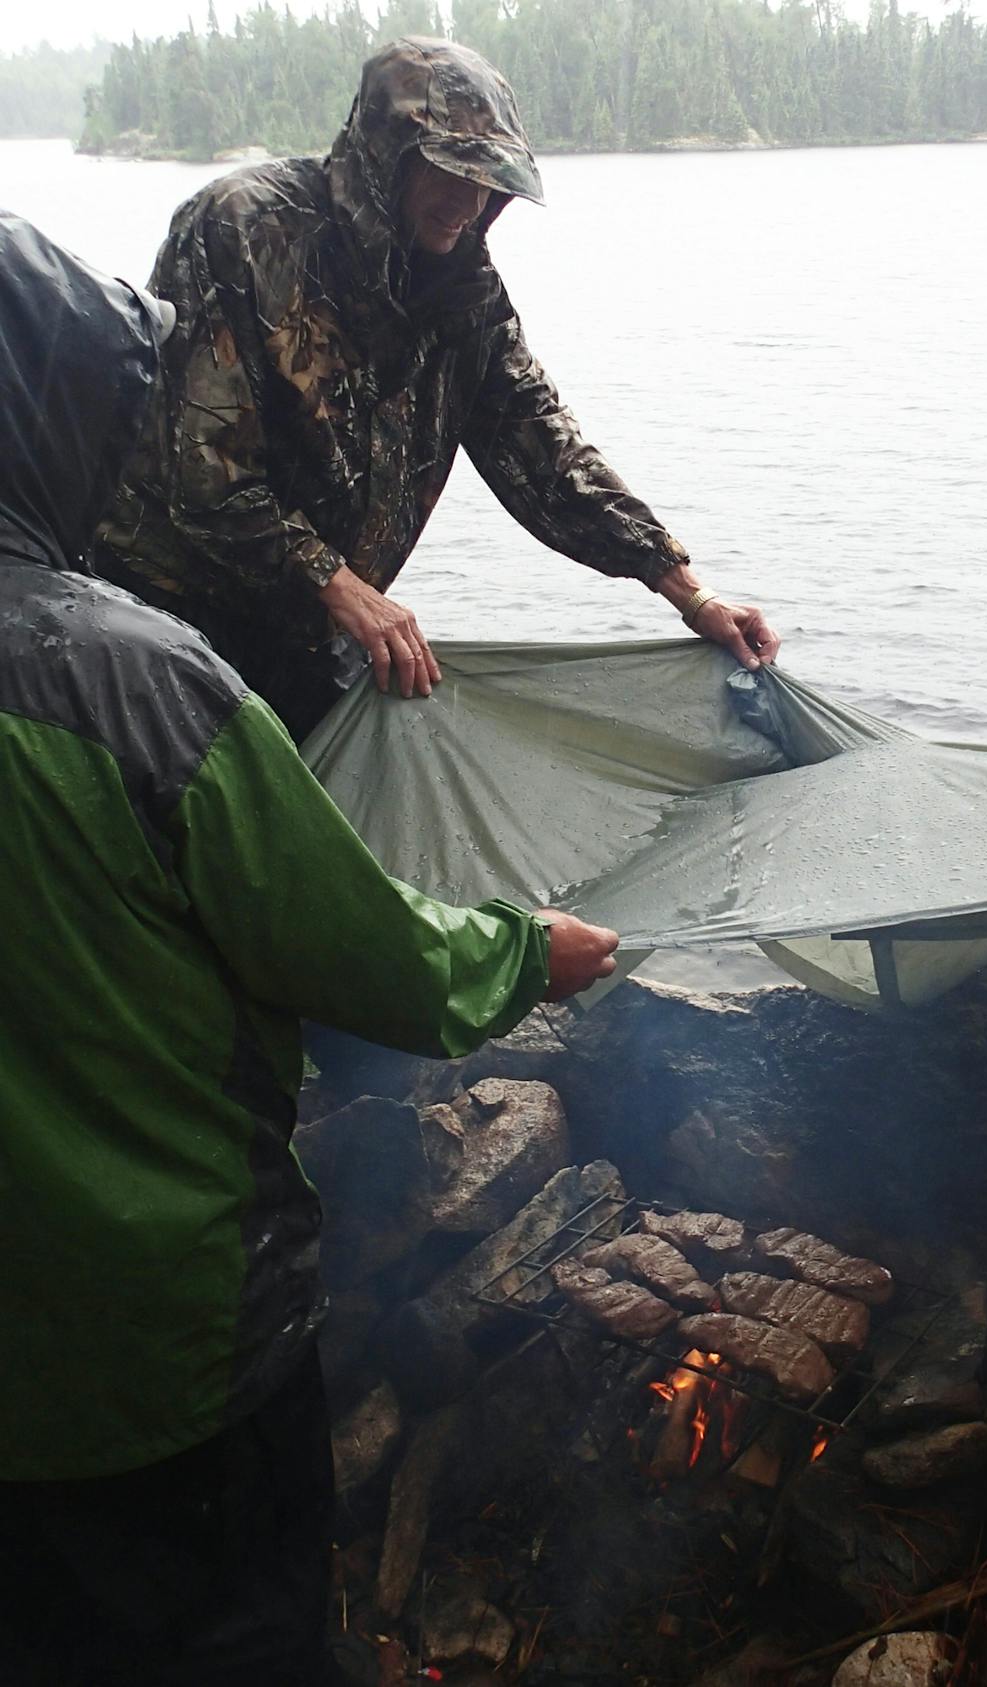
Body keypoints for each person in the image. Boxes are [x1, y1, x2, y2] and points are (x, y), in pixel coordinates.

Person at [0, 209, 619, 1686]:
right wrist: (528, 952)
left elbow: (536, 441)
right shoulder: (127, 684)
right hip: (166, 1346)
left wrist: (661, 572)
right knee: (244, 1641)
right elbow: (359, 944)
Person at [93, 36, 779, 740]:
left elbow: (545, 448)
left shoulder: (465, 291)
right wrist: (342, 588)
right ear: (386, 160)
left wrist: (688, 591)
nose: (468, 201)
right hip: (162, 623)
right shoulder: (239, 229)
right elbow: (206, 483)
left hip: (307, 629)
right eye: (449, 171)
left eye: (487, 179)